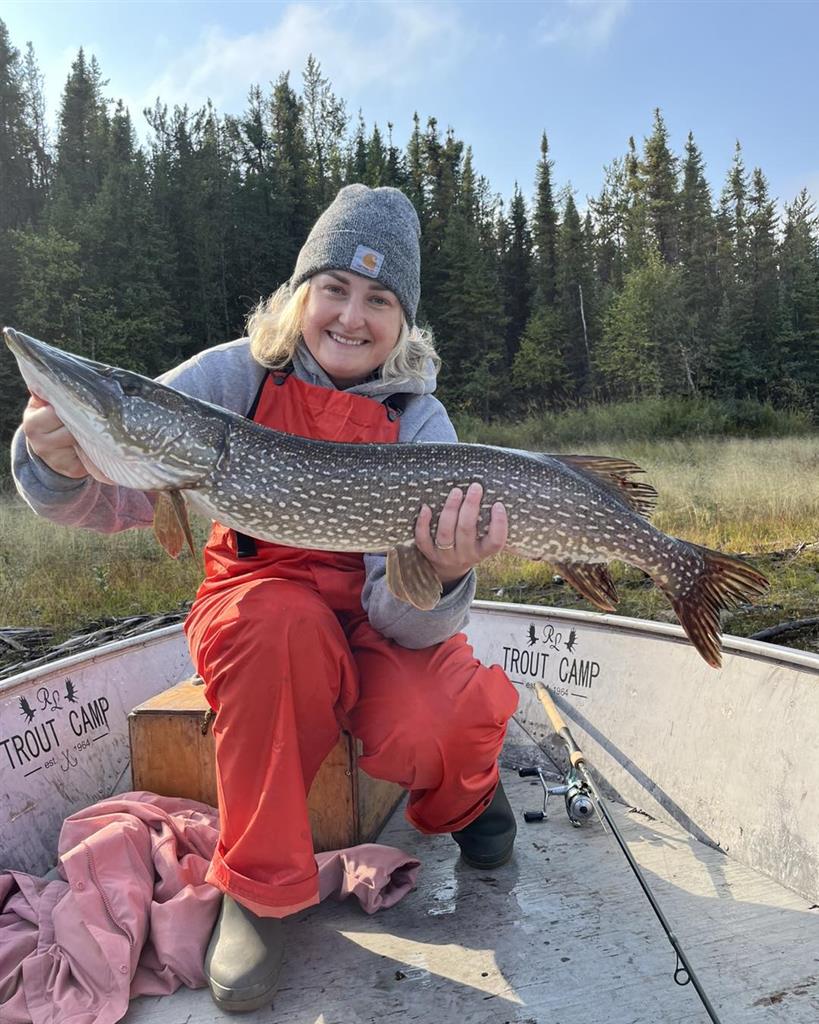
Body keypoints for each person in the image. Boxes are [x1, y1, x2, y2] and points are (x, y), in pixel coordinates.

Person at [12, 184, 520, 1013]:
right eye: (334, 289)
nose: (351, 317)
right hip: (259, 600)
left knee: (433, 713)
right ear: (300, 294)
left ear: (403, 323)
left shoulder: (420, 421)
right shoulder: (229, 375)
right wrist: (55, 461)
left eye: (379, 300)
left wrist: (445, 572)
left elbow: (406, 620)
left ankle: (472, 797)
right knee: (271, 627)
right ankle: (259, 888)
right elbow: (114, 494)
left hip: (374, 611)